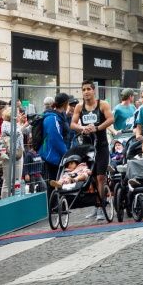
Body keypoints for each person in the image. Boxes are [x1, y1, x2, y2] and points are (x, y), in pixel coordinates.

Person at [71, 82, 113, 221]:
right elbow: (72, 124)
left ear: (94, 90)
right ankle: (96, 205)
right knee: (92, 178)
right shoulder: (79, 107)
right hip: (87, 147)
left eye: (88, 89)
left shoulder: (103, 104)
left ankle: (101, 207)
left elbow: (111, 119)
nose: (86, 92)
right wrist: (82, 128)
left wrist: (97, 128)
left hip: (101, 145)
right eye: (83, 89)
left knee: (101, 177)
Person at [39, 94, 71, 183]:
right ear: (65, 103)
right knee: (53, 183)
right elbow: (56, 139)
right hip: (53, 157)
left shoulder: (60, 115)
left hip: (57, 155)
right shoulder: (52, 118)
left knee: (59, 182)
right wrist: (66, 154)